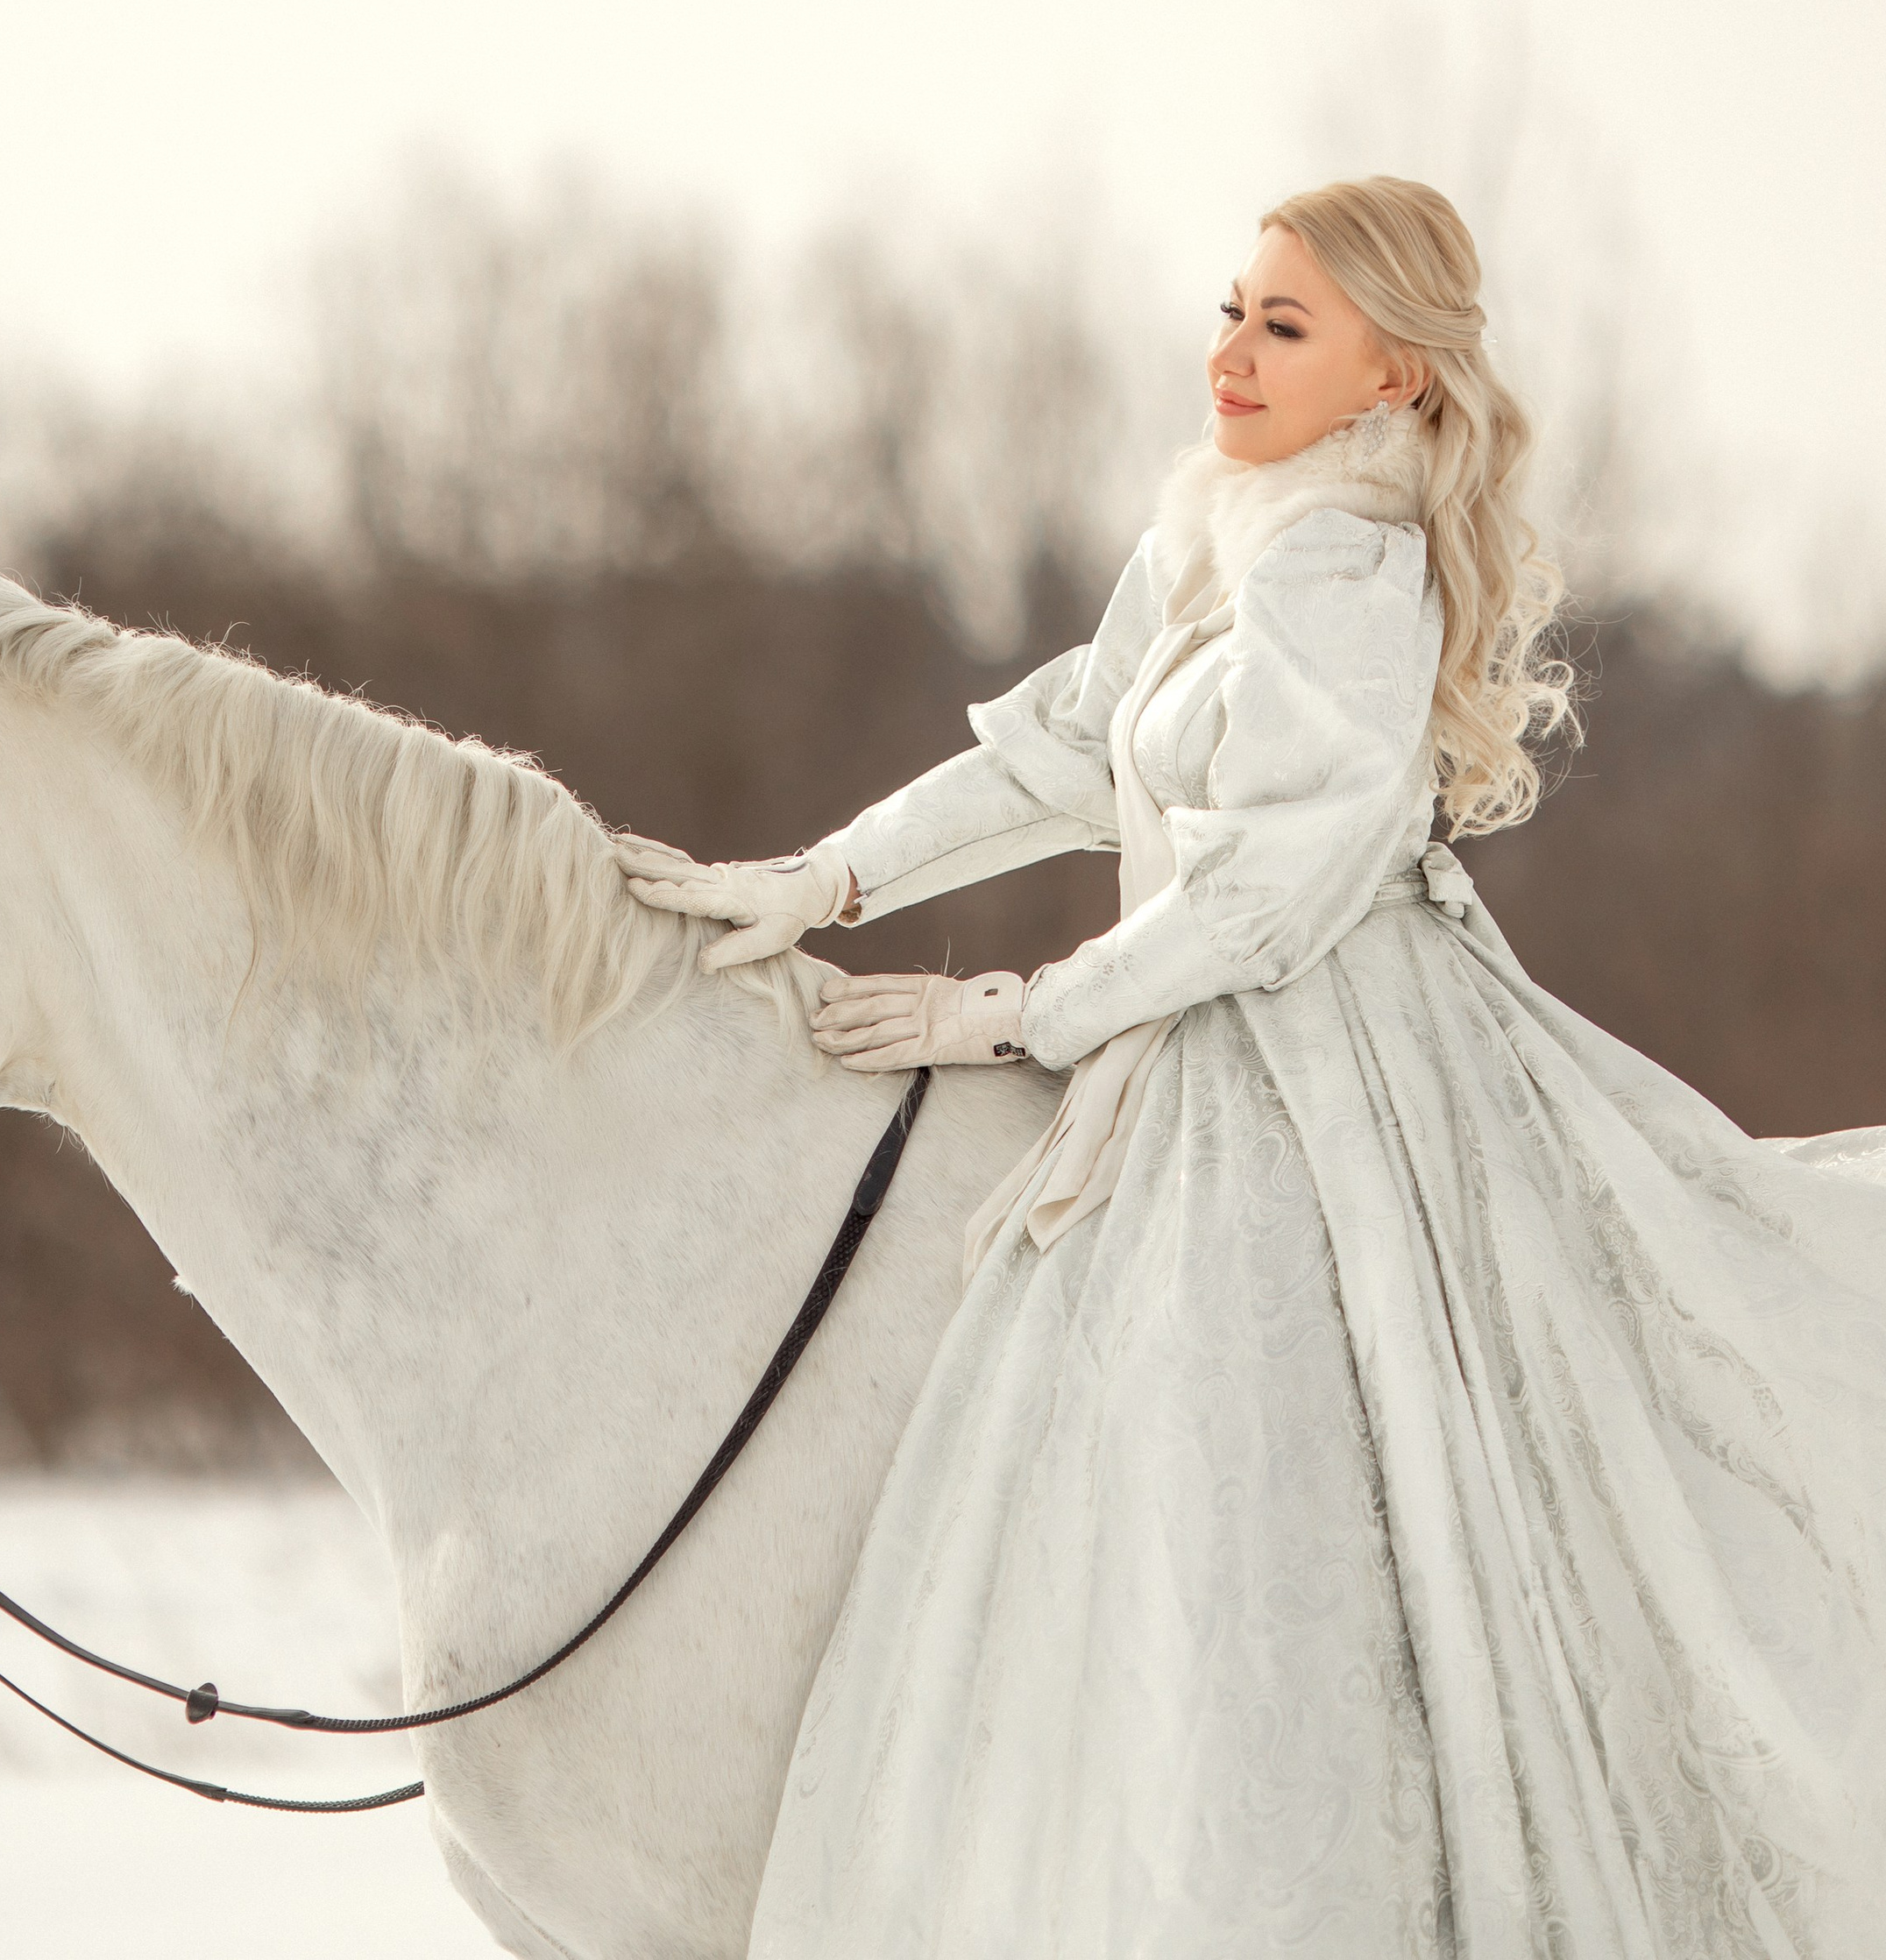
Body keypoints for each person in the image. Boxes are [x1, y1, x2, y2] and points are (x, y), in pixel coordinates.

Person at [613, 177, 1886, 1958]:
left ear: (1394, 380)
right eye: (1229, 306)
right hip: (1202, 1053)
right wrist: (821, 877)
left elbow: (1266, 895)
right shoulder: (1221, 526)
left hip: (1342, 1077)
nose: (1227, 349)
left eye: (1283, 324)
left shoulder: (1344, 568)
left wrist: (1017, 1011)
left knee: (1317, 1494)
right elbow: (1065, 745)